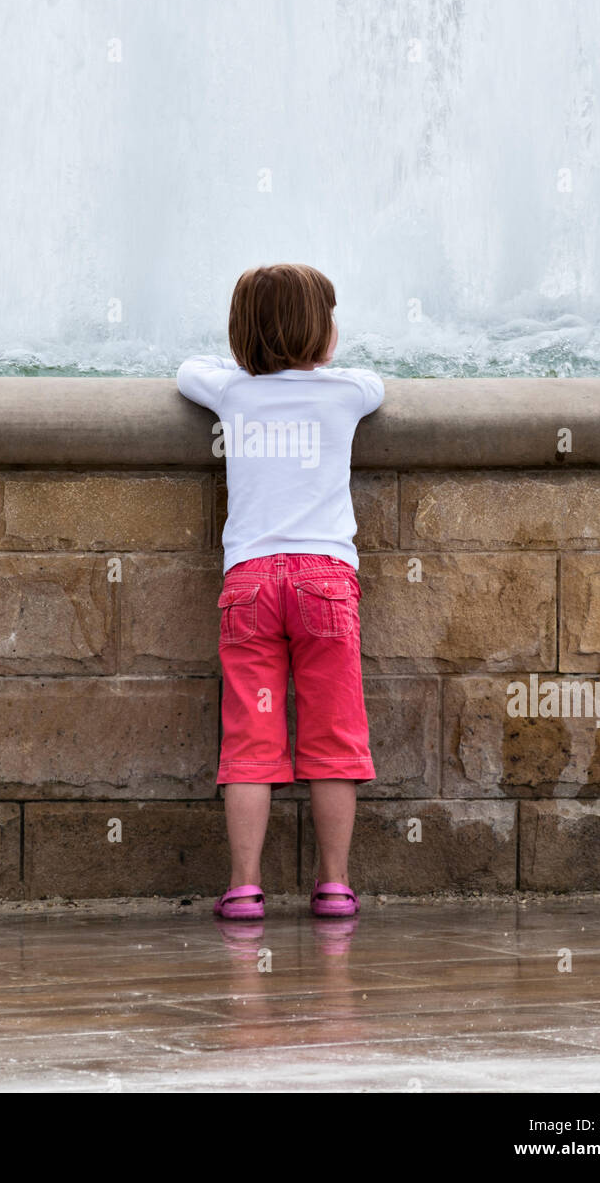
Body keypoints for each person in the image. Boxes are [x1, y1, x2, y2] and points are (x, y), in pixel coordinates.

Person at [176, 264, 384, 919]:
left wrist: (247, 365)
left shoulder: (233, 392)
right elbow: (378, 385)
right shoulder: (347, 392)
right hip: (324, 584)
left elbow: (187, 372)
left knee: (250, 741)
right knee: (334, 736)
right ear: (323, 332)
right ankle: (333, 884)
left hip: (252, 587)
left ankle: (243, 887)